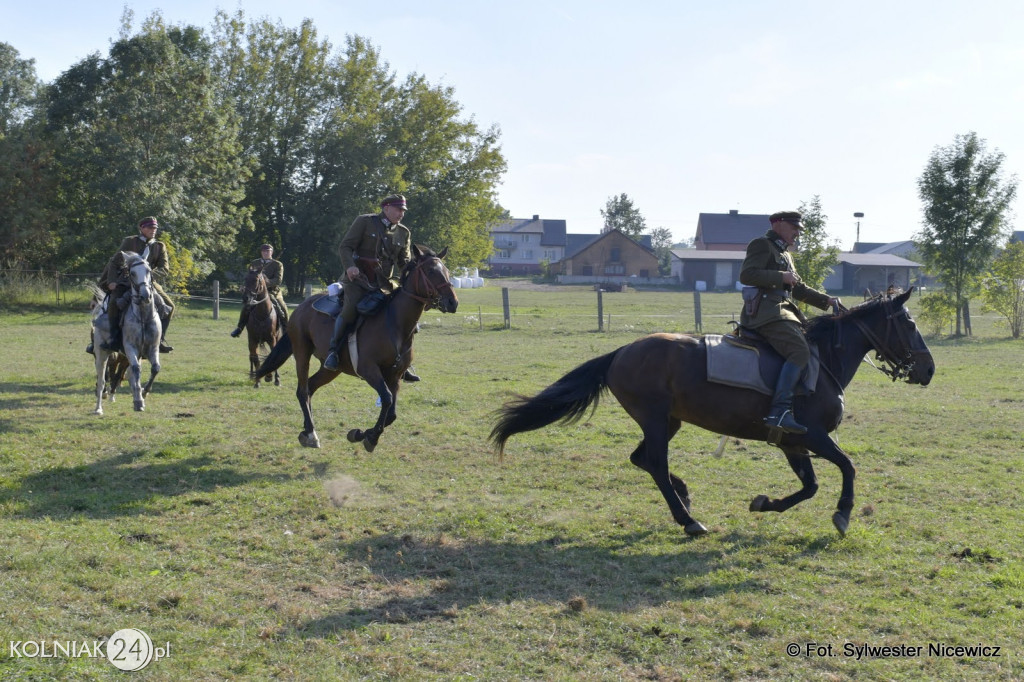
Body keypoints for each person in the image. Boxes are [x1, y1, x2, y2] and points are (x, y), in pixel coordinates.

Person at [739, 210, 838, 434]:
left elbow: (799, 289)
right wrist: (780, 277)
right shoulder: (761, 244)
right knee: (799, 352)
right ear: (778, 224)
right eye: (794, 228)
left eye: (799, 229)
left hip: (783, 312)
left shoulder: (785, 253)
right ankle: (779, 412)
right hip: (766, 313)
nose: (797, 233)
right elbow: (747, 274)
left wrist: (827, 300)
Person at [323, 194, 419, 381]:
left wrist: (419, 269)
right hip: (358, 280)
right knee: (351, 309)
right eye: (398, 209)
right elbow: (345, 247)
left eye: (403, 211)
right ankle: (333, 352)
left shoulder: (403, 232)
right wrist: (350, 266)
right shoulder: (365, 222)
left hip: (384, 285)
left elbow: (404, 263)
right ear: (386, 208)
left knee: (404, 317)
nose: (401, 214)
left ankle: (401, 363)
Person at [89, 216, 175, 355]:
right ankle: (114, 339)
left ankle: (159, 341)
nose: (153, 230)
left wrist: (147, 275)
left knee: (170, 306)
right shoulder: (130, 242)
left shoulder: (159, 246)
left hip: (148, 283)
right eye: (149, 227)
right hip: (125, 282)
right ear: (141, 228)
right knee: (113, 304)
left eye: (155, 228)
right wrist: (111, 282)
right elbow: (114, 262)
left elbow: (164, 268)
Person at [230, 244, 288, 337]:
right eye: (264, 251)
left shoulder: (277, 264)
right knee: (246, 306)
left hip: (272, 291)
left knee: (282, 307)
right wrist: (244, 286)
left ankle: (286, 332)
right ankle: (240, 328)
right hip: (256, 291)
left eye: (268, 251)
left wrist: (265, 282)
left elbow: (278, 280)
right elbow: (249, 277)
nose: (266, 253)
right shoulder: (254, 263)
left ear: (271, 252)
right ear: (261, 252)